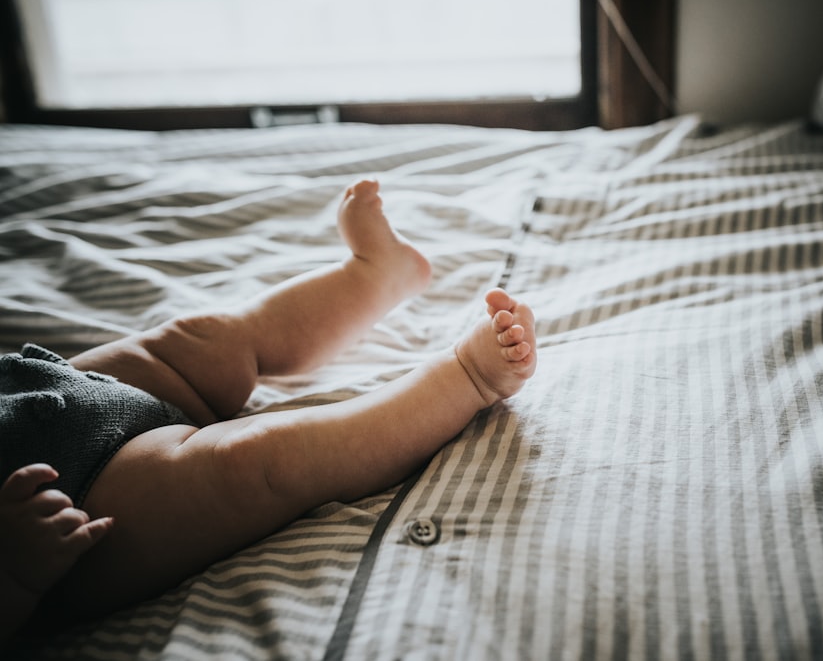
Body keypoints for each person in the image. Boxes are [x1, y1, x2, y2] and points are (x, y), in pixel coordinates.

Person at [0, 179, 537, 640]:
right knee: (247, 463)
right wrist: (16, 575)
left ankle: (376, 274)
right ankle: (468, 377)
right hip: (75, 515)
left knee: (202, 340)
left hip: (49, 391)